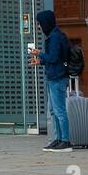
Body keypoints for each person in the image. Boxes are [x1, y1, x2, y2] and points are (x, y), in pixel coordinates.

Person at [31, 9, 72, 152]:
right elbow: (55, 59)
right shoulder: (54, 36)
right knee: (53, 111)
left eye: (40, 24)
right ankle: (58, 139)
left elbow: (54, 57)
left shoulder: (55, 37)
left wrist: (40, 54)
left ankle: (65, 141)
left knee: (59, 111)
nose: (39, 27)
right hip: (54, 77)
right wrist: (40, 61)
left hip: (57, 78)